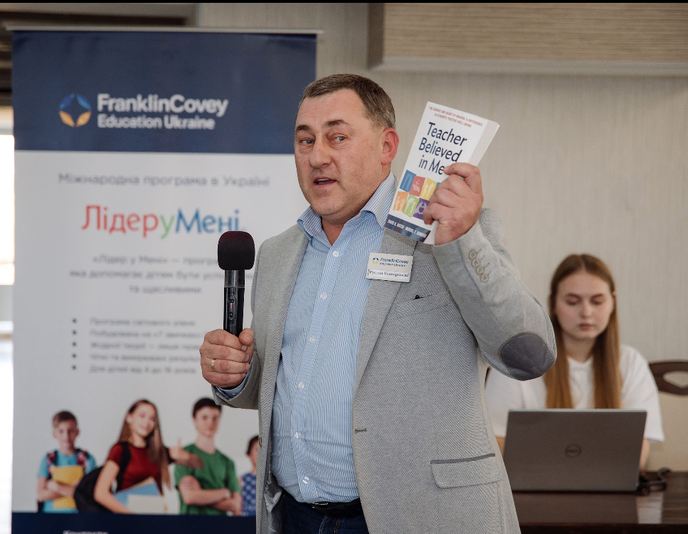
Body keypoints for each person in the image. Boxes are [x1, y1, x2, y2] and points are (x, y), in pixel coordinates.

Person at [199, 74, 556, 533]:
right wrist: (237, 376)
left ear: (387, 146)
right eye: (305, 140)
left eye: (337, 137)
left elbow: (530, 356)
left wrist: (463, 242)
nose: (317, 156)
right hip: (296, 516)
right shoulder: (276, 254)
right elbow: (280, 386)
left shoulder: (450, 232)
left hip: (422, 517)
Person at [485, 254, 664, 469]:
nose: (586, 312)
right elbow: (493, 443)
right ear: (553, 303)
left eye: (597, 302)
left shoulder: (631, 363)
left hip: (608, 489)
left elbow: (638, 454)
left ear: (613, 303)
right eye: (572, 302)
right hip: (531, 489)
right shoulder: (518, 363)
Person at [93, 399, 203, 513]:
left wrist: (185, 455)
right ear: (129, 417)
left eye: (152, 418)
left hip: (154, 518)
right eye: (142, 416)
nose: (147, 422)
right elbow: (100, 494)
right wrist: (131, 515)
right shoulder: (120, 450)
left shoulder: (158, 451)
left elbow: (199, 463)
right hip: (128, 519)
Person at [174, 397, 242, 515]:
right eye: (204, 417)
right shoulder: (183, 456)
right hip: (190, 524)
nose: (210, 423)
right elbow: (189, 497)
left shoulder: (227, 462)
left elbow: (235, 505)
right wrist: (224, 493)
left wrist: (200, 494)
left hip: (220, 525)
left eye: (215, 418)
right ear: (194, 420)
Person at [36, 410, 97, 513]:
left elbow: (88, 494)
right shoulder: (48, 459)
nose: (66, 436)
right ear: (54, 434)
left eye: (70, 431)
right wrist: (73, 489)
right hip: (51, 516)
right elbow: (40, 495)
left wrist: (56, 486)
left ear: (77, 432)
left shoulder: (87, 459)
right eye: (61, 431)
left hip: (79, 516)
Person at [240, 435, 259, 517]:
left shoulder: (276, 480)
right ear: (249, 454)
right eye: (257, 450)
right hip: (247, 521)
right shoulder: (241, 480)